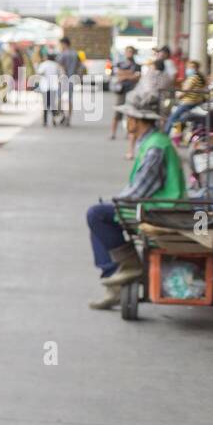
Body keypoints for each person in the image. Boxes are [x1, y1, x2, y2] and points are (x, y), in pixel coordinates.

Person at [84, 95, 184, 310]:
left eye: (128, 117)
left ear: (137, 120)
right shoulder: (150, 141)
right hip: (153, 207)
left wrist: (116, 203)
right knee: (99, 215)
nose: (125, 121)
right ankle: (117, 280)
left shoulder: (155, 146)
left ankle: (127, 268)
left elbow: (139, 191)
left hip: (160, 212)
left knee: (97, 214)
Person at [125, 55, 174, 160]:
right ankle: (157, 151)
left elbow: (144, 90)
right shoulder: (167, 77)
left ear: (154, 66)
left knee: (136, 128)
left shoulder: (148, 75)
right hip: (160, 109)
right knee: (159, 130)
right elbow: (169, 91)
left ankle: (131, 152)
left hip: (143, 107)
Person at [163, 60, 208, 138]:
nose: (189, 69)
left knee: (172, 118)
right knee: (179, 120)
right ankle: (178, 137)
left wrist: (178, 95)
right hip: (195, 102)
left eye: (191, 67)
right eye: (188, 67)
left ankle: (164, 135)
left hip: (189, 102)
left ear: (196, 68)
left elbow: (184, 91)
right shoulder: (199, 78)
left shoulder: (193, 78)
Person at [108, 46, 141, 140]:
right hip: (121, 90)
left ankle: (129, 132)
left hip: (131, 90)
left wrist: (125, 75)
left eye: (131, 52)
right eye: (127, 51)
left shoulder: (137, 65)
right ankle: (113, 133)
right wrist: (129, 74)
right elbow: (117, 74)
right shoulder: (120, 63)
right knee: (117, 111)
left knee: (130, 112)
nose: (129, 53)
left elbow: (137, 76)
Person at [57, 37, 83, 125]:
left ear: (64, 44)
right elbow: (80, 66)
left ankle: (63, 114)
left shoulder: (63, 54)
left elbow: (61, 66)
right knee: (70, 99)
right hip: (72, 78)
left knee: (59, 98)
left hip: (64, 79)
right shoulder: (76, 53)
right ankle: (69, 118)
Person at [36, 51, 64, 127]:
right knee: (52, 103)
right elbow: (60, 74)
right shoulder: (56, 65)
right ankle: (54, 118)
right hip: (53, 86)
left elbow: (39, 72)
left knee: (45, 104)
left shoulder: (43, 64)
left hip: (45, 86)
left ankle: (45, 120)